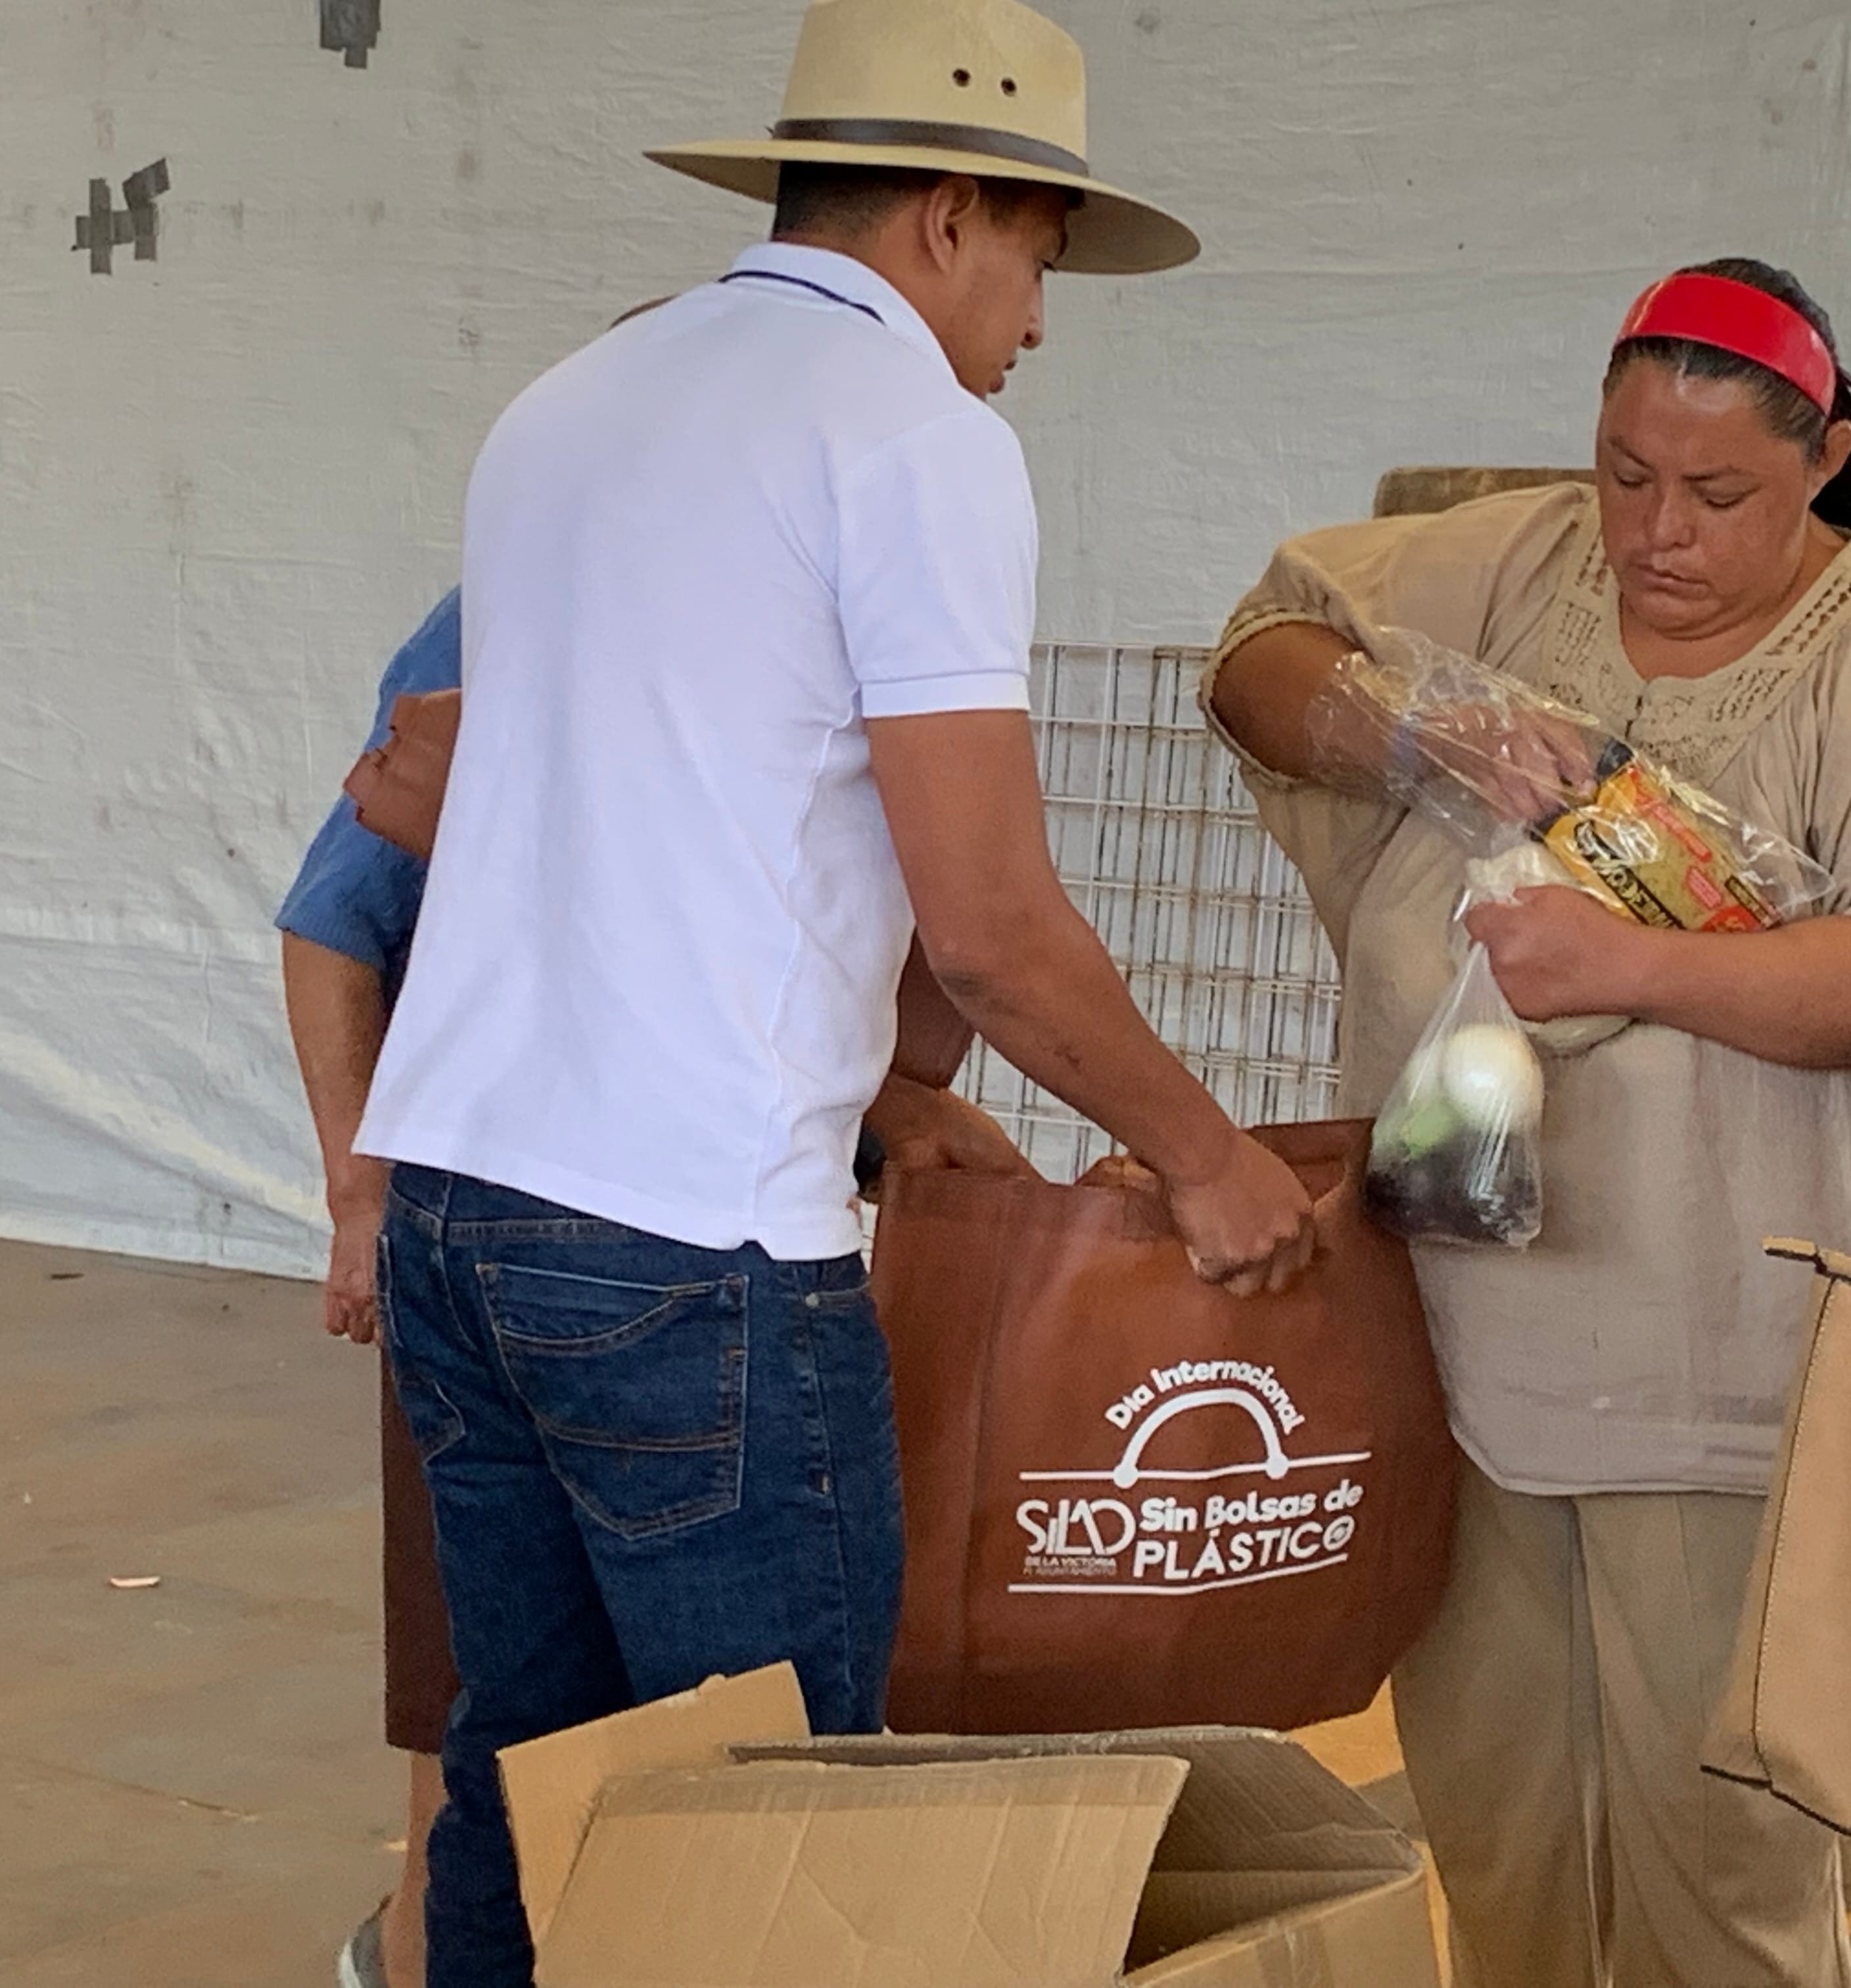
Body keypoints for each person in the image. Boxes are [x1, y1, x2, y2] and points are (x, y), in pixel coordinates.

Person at [348, 3, 1317, 1981]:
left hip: (457, 1192)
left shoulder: (570, 404)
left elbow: (674, 819)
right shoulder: (913, 442)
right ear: (956, 213)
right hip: (686, 1247)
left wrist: (884, 1098)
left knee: (530, 1765)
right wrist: (1208, 1160)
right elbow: (992, 921)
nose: (1037, 322)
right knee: (785, 1824)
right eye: (1042, 257)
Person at [1207, 258, 1851, 1987]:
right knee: (1498, 1829)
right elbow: (1257, 662)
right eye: (1625, 473)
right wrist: (1411, 714)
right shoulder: (1518, 565)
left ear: (1827, 457)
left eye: (1718, 492)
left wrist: (1636, 969)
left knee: (1715, 1868)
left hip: (1720, 1356)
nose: (1658, 531)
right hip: (1459, 1328)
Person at [278, 579, 1031, 1987]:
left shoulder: (781, 615)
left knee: (530, 1721)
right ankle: (412, 1950)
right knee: (720, 1767)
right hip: (573, 1231)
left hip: (515, 1224)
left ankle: (439, 1949)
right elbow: (334, 921)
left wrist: (875, 1105)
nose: (1030, 340)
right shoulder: (517, 618)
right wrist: (356, 1193)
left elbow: (846, 973)